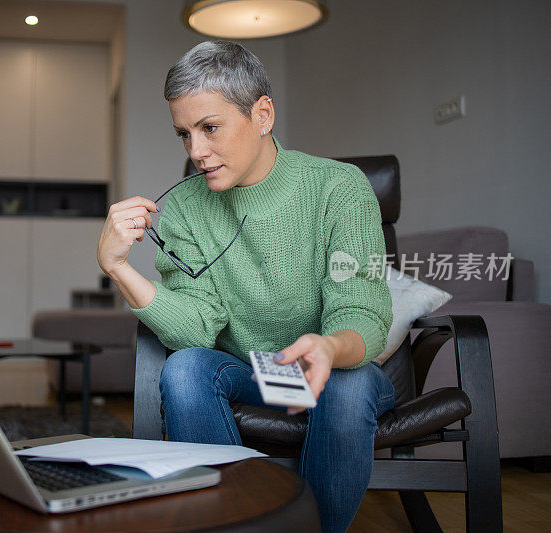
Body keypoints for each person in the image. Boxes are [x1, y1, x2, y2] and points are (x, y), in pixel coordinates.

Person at [96, 40, 394, 533]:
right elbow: (195, 328)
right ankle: (235, 524)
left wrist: (329, 347)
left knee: (348, 380)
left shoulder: (339, 188)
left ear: (262, 114)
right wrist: (119, 268)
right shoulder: (189, 207)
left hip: (338, 370)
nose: (196, 152)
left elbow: (361, 311)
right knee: (186, 367)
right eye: (183, 135)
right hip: (252, 373)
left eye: (210, 128)